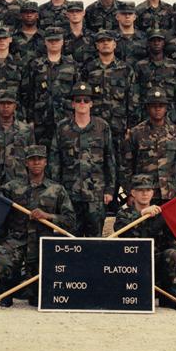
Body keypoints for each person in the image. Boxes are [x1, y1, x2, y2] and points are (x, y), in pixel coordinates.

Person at [0, 144, 75, 307]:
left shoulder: (56, 189)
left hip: (42, 243)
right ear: (26, 163)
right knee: (2, 256)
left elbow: (70, 221)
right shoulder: (12, 187)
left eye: (40, 159)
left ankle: (31, 290)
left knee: (35, 299)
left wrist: (48, 216)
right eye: (32, 160)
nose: (36, 162)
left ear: (46, 162)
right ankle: (6, 290)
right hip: (18, 240)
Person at [49, 82, 116, 237]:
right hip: (69, 193)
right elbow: (55, 161)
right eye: (78, 100)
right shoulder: (63, 128)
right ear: (73, 103)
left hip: (95, 194)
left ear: (91, 103)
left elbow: (109, 159)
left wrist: (110, 190)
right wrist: (56, 191)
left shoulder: (102, 127)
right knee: (70, 240)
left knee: (95, 240)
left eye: (86, 100)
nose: (82, 103)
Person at [114, 174, 176, 309]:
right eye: (140, 190)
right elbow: (121, 232)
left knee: (172, 254)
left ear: (153, 193)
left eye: (148, 190)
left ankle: (165, 293)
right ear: (133, 193)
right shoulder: (124, 213)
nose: (145, 194)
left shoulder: (161, 214)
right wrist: (142, 214)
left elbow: (171, 241)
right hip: (133, 261)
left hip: (154, 260)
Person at [81, 30, 138, 185]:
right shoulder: (89, 69)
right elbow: (83, 98)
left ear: (115, 44)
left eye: (109, 40)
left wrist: (131, 126)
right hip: (94, 127)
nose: (105, 43)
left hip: (118, 128)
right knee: (95, 164)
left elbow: (132, 99)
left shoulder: (126, 69)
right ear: (96, 45)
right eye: (102, 41)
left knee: (119, 165)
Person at [122, 87, 176, 204]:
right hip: (144, 196)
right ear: (147, 108)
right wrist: (130, 193)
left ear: (166, 108)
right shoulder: (136, 133)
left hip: (172, 195)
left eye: (161, 105)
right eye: (153, 105)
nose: (157, 109)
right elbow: (126, 167)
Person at [23, 27, 78, 147]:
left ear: (62, 41)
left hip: (66, 119)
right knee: (41, 156)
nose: (54, 43)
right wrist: (30, 119)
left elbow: (77, 95)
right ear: (45, 42)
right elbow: (28, 93)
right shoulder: (35, 65)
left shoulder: (72, 65)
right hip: (41, 120)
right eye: (51, 40)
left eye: (57, 40)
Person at [135, 28, 176, 123]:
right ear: (148, 43)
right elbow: (135, 93)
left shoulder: (174, 66)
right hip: (146, 113)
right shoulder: (140, 66)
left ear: (164, 43)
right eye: (153, 41)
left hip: (170, 113)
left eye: (159, 40)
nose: (156, 43)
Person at [11, 1, 46, 66]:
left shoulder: (45, 37)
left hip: (40, 73)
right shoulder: (12, 36)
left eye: (32, 12)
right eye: (26, 12)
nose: (29, 15)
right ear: (21, 15)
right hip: (18, 74)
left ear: (37, 15)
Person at [114, 2, 148, 67]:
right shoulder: (111, 37)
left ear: (134, 17)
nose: (127, 16)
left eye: (130, 13)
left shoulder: (144, 37)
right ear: (117, 17)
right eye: (123, 14)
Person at [63, 1, 96, 67]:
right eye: (71, 11)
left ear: (83, 13)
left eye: (78, 11)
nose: (75, 14)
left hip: (88, 74)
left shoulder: (93, 37)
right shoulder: (61, 37)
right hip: (67, 74)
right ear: (67, 14)